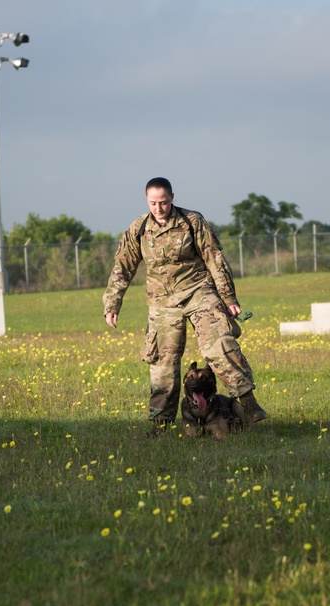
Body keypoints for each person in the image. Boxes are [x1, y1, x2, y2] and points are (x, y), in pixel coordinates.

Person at [103, 177, 268, 434]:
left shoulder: (192, 222)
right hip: (162, 302)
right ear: (147, 200)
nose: (159, 208)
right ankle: (160, 425)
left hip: (199, 291)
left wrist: (229, 298)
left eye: (164, 202)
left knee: (219, 344)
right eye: (153, 203)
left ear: (172, 198)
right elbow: (122, 267)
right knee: (162, 362)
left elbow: (214, 259)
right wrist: (113, 303)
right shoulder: (139, 229)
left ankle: (249, 404)